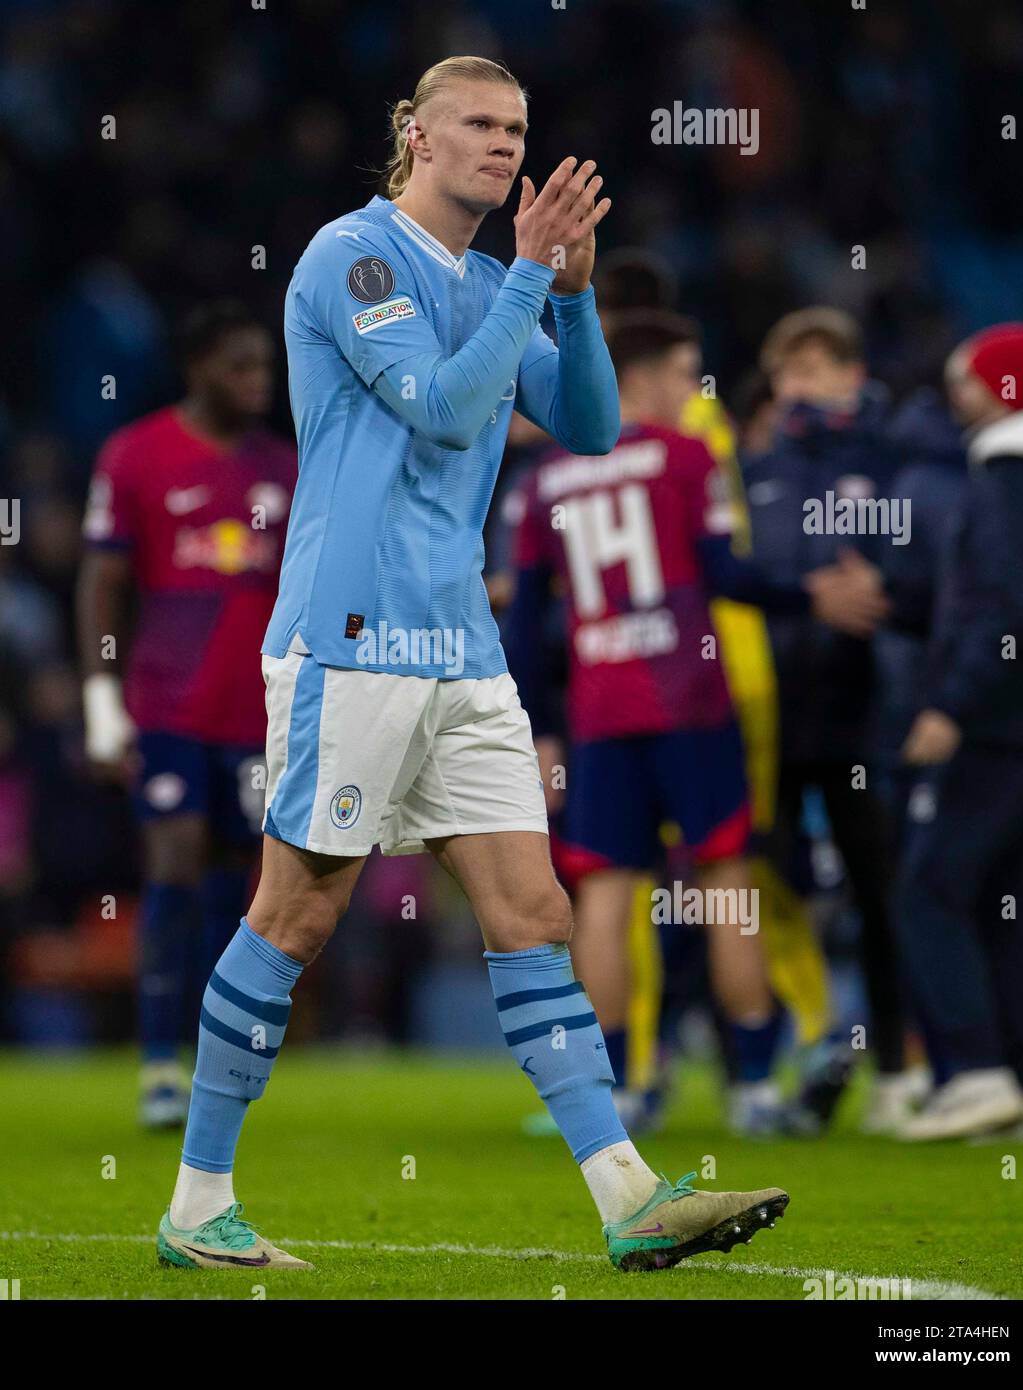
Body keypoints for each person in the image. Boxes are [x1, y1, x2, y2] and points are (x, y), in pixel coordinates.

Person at [155, 55, 788, 1275]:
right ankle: (196, 1199)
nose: (506, 147)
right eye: (482, 127)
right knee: (294, 914)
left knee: (532, 911)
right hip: (354, 641)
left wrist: (570, 299)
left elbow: (597, 428)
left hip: (461, 646)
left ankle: (628, 1196)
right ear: (418, 137)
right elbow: (446, 408)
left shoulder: (501, 277)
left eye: (519, 129)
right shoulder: (357, 257)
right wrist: (528, 288)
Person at [505, 309, 885, 1137]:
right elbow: (727, 575)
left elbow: (526, 617)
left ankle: (616, 1095)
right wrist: (810, 592)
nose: (692, 390)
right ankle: (751, 1088)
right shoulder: (686, 459)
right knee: (725, 886)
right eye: (682, 373)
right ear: (641, 379)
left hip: (601, 714)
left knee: (604, 896)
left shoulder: (545, 481)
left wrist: (538, 728)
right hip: (691, 704)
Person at [78, 302, 295, 1127]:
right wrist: (101, 702)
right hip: (167, 705)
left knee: (236, 889)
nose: (257, 382)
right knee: (169, 864)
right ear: (198, 366)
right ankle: (157, 1063)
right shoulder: (136, 454)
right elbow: (100, 583)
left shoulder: (286, 466)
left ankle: (213, 1060)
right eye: (240, 366)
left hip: (257, 714)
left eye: (264, 368)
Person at [743, 307, 916, 1133]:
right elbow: (736, 577)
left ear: (855, 376)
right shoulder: (753, 473)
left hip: (868, 716)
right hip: (775, 718)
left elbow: (923, 575)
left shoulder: (891, 466)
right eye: (791, 371)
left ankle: (895, 1069)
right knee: (773, 895)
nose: (805, 385)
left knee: (884, 898)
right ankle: (795, 1066)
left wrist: (883, 590)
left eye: (821, 368)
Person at [896, 323, 1023, 1142]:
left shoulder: (1007, 481)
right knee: (1006, 904)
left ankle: (973, 1072)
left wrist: (950, 705)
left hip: (999, 724)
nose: (955, 395)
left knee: (928, 891)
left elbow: (1005, 610)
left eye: (971, 380)